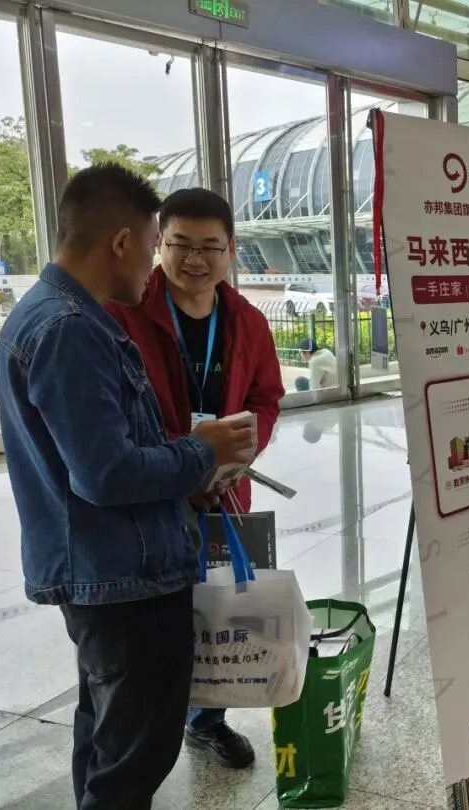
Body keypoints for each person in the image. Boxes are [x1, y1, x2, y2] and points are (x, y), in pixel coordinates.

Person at [0, 164, 256, 809]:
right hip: (122, 577)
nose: (156, 263)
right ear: (121, 242)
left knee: (107, 736)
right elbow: (106, 473)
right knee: (134, 756)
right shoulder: (71, 328)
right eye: (154, 243)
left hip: (107, 568)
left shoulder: (55, 314)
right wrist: (203, 450)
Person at [108, 187, 284, 770]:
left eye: (210, 246)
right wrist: (182, 463)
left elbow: (266, 397)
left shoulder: (247, 320)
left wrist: (234, 456)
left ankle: (207, 719)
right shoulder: (126, 312)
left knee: (221, 603)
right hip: (152, 489)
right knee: (157, 609)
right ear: (159, 244)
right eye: (180, 243)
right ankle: (150, 720)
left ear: (232, 249)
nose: (195, 259)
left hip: (224, 488)